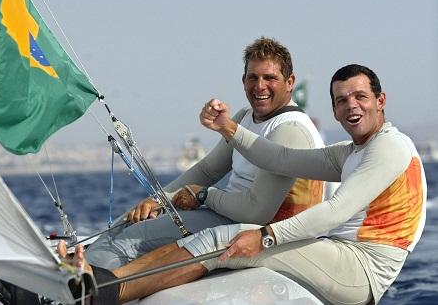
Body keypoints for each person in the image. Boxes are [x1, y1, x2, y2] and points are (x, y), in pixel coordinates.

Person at [60, 64, 427, 305]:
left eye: (360, 97)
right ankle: (103, 279)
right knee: (216, 238)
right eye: (342, 100)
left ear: (380, 101)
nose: (351, 107)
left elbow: (334, 212)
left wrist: (265, 236)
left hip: (361, 272)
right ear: (333, 109)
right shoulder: (350, 152)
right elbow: (279, 158)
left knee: (228, 241)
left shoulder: (390, 147)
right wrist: (229, 128)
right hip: (338, 254)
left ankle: (105, 290)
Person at [85, 37, 327, 270]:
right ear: (243, 80)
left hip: (256, 233)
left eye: (270, 78)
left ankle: (78, 288)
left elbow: (256, 212)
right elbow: (208, 169)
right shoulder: (245, 116)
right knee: (127, 221)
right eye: (253, 77)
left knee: (131, 239)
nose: (259, 86)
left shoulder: (290, 130)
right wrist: (159, 200)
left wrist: (202, 196)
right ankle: (77, 268)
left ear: (290, 81)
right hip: (226, 214)